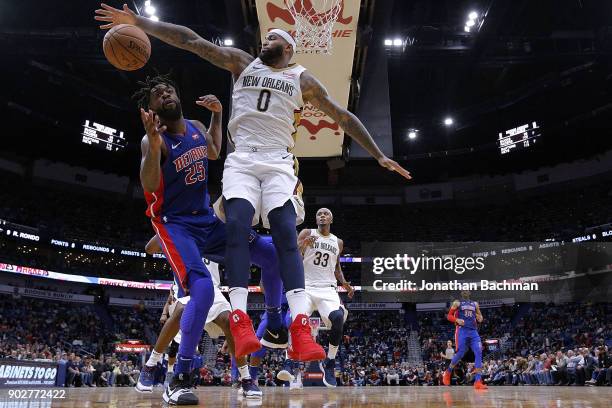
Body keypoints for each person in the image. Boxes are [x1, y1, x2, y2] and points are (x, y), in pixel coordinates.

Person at [95, 4, 411, 365]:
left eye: (274, 37)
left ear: (288, 48)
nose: (267, 39)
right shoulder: (242, 62)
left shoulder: (303, 79)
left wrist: (378, 154)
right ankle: (238, 323)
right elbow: (191, 41)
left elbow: (342, 116)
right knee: (237, 227)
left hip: (278, 160)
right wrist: (140, 23)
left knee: (284, 239)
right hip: (242, 157)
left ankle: (292, 325)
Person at [137, 237, 265, 399]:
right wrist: (167, 228)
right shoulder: (180, 229)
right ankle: (150, 365)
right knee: (183, 310)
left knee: (229, 320)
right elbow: (150, 249)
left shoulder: (211, 226)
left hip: (212, 287)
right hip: (186, 286)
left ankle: (246, 378)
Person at [288, 207, 353, 387]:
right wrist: (303, 244)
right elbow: (292, 253)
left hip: (327, 289)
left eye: (326, 214)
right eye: (319, 214)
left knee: (338, 317)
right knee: (295, 320)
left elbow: (337, 266)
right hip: (306, 286)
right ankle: (291, 364)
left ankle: (330, 363)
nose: (322, 216)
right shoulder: (307, 232)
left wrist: (345, 283)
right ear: (316, 219)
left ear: (331, 219)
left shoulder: (337, 242)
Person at [443, 290, 487, 389]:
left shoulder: (475, 304)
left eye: (467, 290)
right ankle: (448, 372)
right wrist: (456, 320)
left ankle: (478, 381)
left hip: (473, 331)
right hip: (461, 331)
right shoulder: (457, 303)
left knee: (479, 352)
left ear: (469, 293)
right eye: (464, 290)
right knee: (460, 354)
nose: (465, 291)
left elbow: (480, 317)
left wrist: (479, 318)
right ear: (461, 293)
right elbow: (449, 316)